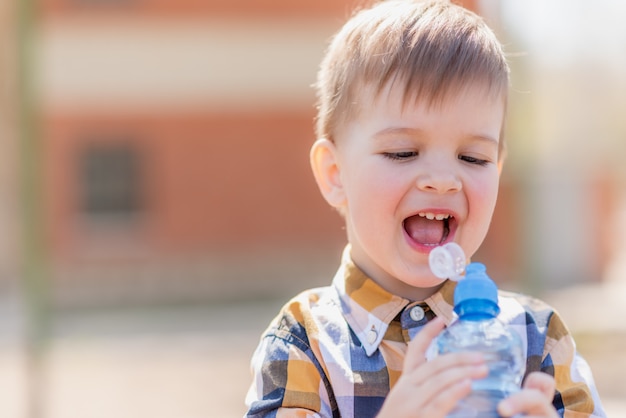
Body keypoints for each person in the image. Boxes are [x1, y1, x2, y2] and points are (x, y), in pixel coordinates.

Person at [244, 0, 606, 416]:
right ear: (335, 173)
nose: (443, 179)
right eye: (403, 152)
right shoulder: (303, 345)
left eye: (473, 158)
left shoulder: (535, 339)